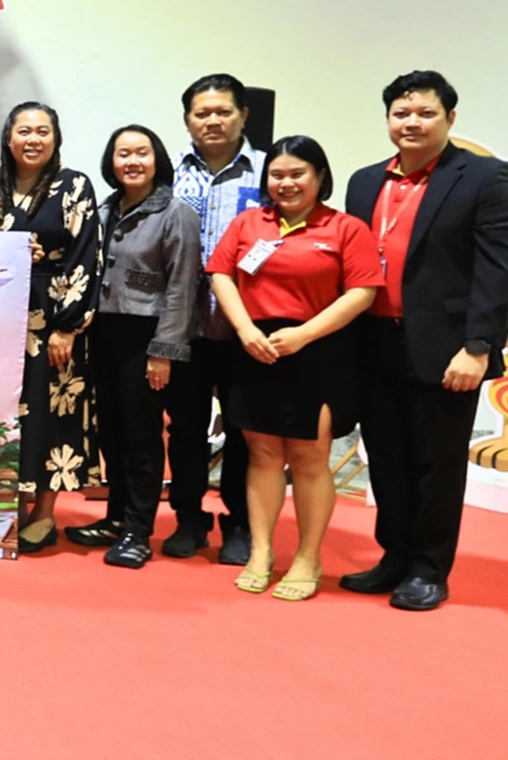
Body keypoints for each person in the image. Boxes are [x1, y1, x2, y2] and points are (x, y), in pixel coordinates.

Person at [341, 72, 508, 611]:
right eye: (401, 113)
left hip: (448, 347)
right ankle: (394, 557)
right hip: (374, 342)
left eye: (425, 113)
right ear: (388, 118)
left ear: (450, 118)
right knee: (386, 457)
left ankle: (429, 569)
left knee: (437, 464)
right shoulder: (365, 182)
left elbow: (498, 269)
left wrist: (479, 346)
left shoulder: (484, 177)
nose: (411, 122)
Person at [208, 136, 380, 601]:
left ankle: (307, 557)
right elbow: (221, 274)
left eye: (297, 173)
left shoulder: (345, 228)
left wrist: (304, 334)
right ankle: (261, 552)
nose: (286, 183)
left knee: (309, 458)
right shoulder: (249, 222)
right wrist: (245, 330)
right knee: (262, 455)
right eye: (277, 174)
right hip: (256, 348)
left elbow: (362, 293)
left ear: (320, 176)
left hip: (319, 351)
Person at [0, 102, 101, 554]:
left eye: (42, 131)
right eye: (23, 131)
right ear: (8, 138)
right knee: (7, 413)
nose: (33, 139)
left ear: (55, 138)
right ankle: (10, 507)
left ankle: (44, 514)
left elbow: (87, 255)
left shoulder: (74, 185)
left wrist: (68, 326)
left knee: (51, 413)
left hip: (53, 316)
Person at [82, 125, 204, 568]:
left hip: (146, 337)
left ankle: (138, 530)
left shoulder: (175, 213)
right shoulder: (104, 209)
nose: (132, 161)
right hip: (104, 333)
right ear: (110, 161)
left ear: (158, 160)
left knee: (141, 436)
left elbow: (182, 287)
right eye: (123, 153)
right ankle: (115, 517)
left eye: (142, 153)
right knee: (110, 431)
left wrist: (163, 351)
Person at [167, 73, 266, 564]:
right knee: (185, 429)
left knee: (245, 429)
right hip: (183, 327)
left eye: (223, 112)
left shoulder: (268, 172)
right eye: (201, 113)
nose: (212, 121)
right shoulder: (168, 173)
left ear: (243, 116)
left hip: (249, 328)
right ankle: (189, 518)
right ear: (188, 119)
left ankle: (240, 522)